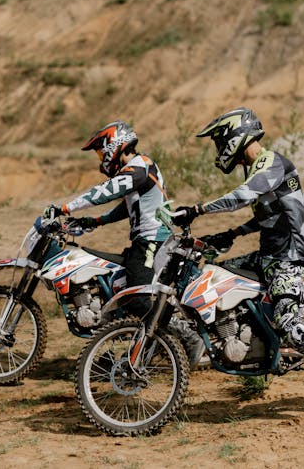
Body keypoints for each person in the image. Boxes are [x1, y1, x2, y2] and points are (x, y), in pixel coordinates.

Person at [172, 107, 304, 417]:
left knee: (289, 325)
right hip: (267, 256)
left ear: (235, 137)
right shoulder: (255, 167)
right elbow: (266, 216)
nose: (218, 149)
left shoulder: (272, 163)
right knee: (216, 274)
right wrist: (229, 234)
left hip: (288, 259)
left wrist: (198, 210)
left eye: (219, 141)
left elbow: (242, 197)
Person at [43, 120, 204, 366]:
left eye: (100, 150)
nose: (100, 157)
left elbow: (105, 191)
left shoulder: (138, 168)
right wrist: (95, 221)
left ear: (115, 144)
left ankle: (187, 336)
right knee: (120, 289)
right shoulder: (140, 169)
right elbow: (130, 206)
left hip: (152, 241)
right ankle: (146, 345)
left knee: (139, 298)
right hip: (146, 241)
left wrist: (65, 207)